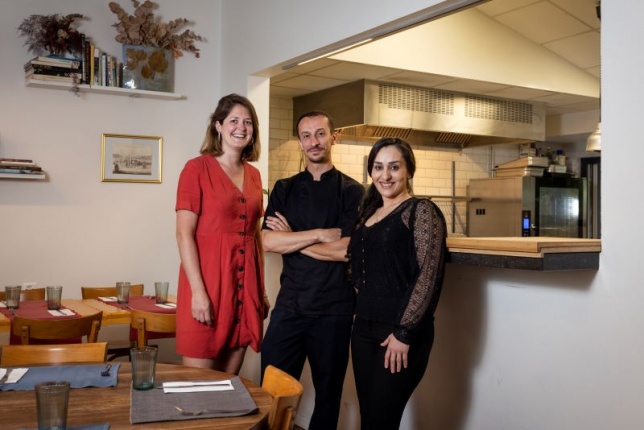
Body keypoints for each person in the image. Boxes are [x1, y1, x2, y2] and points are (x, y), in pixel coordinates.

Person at [260, 110, 365, 430]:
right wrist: (320, 235)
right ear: (300, 142)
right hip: (290, 306)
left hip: (334, 310)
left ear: (334, 137)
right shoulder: (284, 188)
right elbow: (267, 242)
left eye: (320, 133)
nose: (313, 141)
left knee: (328, 396)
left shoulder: (352, 191)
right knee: (270, 391)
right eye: (306, 135)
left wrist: (292, 237)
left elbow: (348, 250)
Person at [348, 137, 447, 430]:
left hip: (400, 333)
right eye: (378, 167)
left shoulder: (421, 211)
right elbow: (357, 265)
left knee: (381, 421)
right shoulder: (369, 212)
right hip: (363, 328)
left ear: (409, 171)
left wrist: (404, 333)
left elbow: (429, 275)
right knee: (369, 418)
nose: (385, 175)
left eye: (394, 167)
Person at [175, 93, 269, 374]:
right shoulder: (196, 169)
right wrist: (199, 293)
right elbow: (183, 235)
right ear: (218, 126)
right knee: (198, 388)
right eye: (234, 120)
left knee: (228, 386)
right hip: (208, 287)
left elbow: (255, 236)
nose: (241, 127)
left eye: (248, 122)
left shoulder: (254, 175)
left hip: (244, 291)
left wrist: (260, 291)